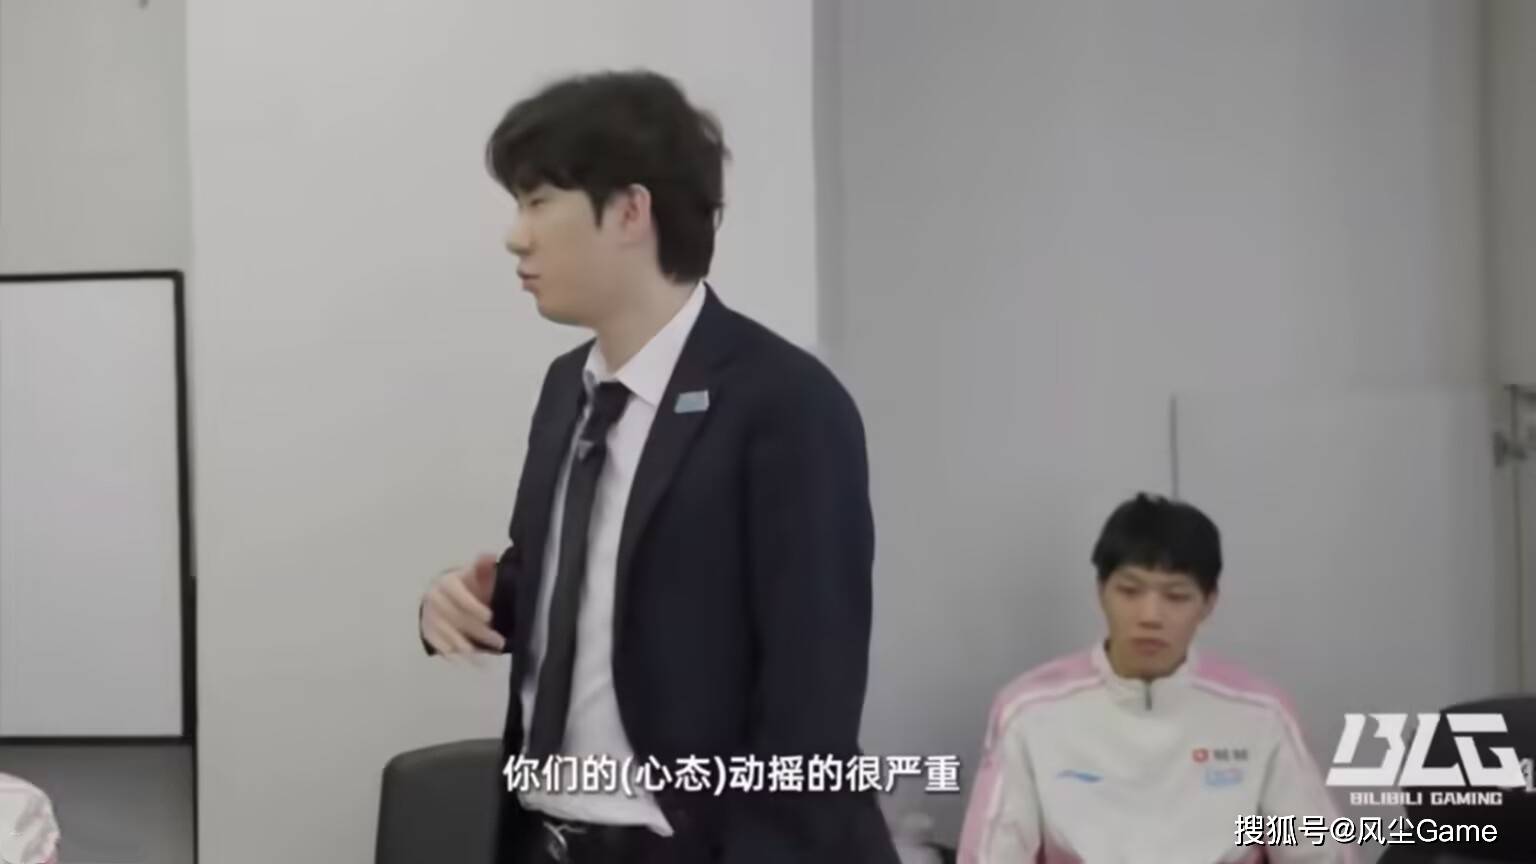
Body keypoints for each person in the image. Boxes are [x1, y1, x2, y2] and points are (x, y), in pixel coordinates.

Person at [417, 70, 898, 864]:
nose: (515, 236)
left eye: (538, 202)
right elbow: (587, 586)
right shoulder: (566, 389)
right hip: (549, 835)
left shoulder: (784, 403)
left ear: (630, 212)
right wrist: (471, 601)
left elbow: (810, 698)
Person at [958, 493, 1350, 864]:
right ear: (1101, 591)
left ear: (1208, 603)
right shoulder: (1030, 711)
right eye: (1130, 591)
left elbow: (1319, 853)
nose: (1150, 616)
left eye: (1176, 596)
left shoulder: (1260, 715)